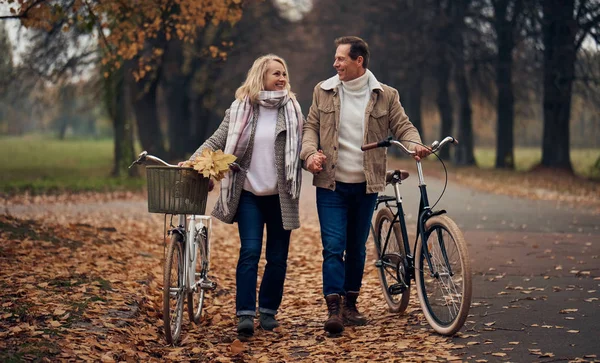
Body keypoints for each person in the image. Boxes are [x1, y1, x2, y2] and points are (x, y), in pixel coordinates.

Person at [300, 36, 430, 335]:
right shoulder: (324, 90)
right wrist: (309, 154)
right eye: (335, 59)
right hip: (331, 184)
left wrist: (415, 145)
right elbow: (311, 127)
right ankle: (333, 309)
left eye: (341, 59)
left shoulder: (386, 95)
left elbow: (403, 126)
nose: (336, 64)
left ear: (359, 61)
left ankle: (350, 304)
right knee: (334, 247)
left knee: (357, 248)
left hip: (365, 185)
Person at [187, 54, 304, 337]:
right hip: (249, 194)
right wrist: (193, 161)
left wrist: (314, 156)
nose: (282, 78)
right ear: (260, 76)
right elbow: (217, 140)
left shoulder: (292, 110)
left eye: (284, 73)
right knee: (250, 252)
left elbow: (304, 144)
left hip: (280, 196)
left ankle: (267, 311)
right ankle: (245, 314)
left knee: (277, 257)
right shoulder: (240, 109)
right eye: (276, 73)